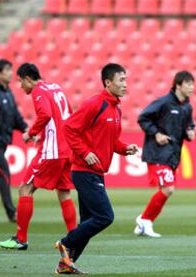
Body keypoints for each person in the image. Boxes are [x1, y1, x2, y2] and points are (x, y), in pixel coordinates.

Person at [55, 63, 138, 274]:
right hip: (84, 171)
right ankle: (65, 242)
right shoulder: (94, 103)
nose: (125, 84)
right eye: (121, 80)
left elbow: (111, 140)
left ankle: (67, 263)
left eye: (126, 80)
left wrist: (124, 148)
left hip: (96, 171)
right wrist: (84, 152)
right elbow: (69, 128)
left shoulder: (115, 108)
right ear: (108, 82)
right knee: (105, 217)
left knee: (88, 221)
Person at [0, 63, 77, 250]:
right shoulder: (56, 87)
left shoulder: (38, 91)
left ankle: (20, 239)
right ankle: (75, 239)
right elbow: (67, 116)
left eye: (20, 82)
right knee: (64, 192)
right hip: (67, 149)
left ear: (27, 78)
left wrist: (30, 132)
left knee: (25, 188)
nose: (20, 87)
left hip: (52, 151)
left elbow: (46, 114)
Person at [134, 71, 195, 238]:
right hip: (158, 152)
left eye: (193, 84)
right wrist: (156, 133)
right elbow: (143, 118)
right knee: (168, 188)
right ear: (178, 85)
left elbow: (189, 125)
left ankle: (143, 223)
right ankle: (145, 220)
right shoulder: (164, 103)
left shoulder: (187, 107)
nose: (192, 87)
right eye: (188, 84)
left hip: (173, 154)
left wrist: (189, 132)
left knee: (165, 189)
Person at [0, 59, 28, 222]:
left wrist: (28, 130)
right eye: (7, 70)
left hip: (1, 141)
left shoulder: (8, 92)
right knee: (4, 175)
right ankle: (12, 213)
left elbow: (16, 117)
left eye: (10, 70)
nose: (10, 73)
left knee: (3, 175)